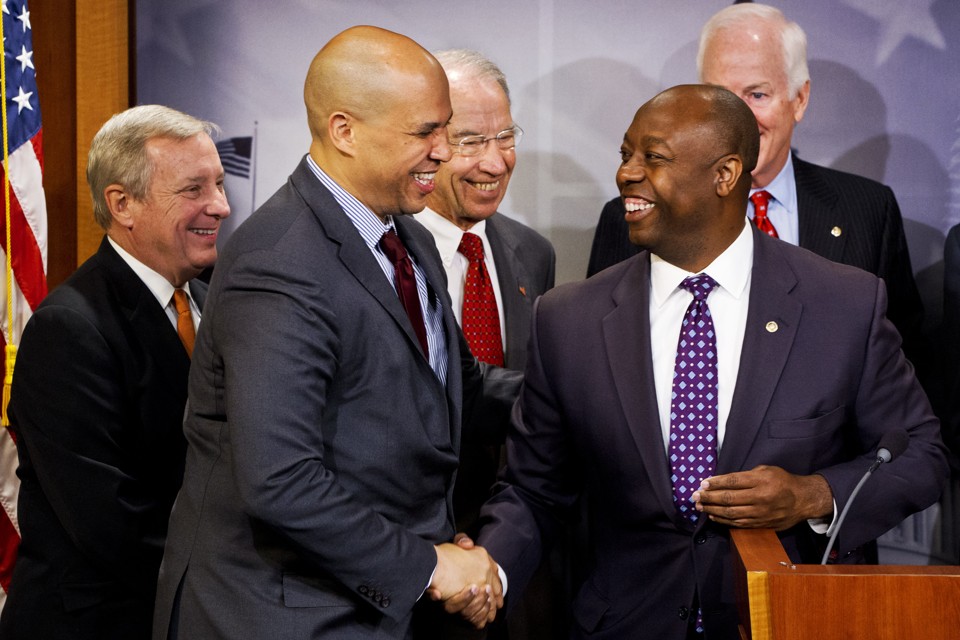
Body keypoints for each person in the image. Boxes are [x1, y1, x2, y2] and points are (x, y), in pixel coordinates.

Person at [476, 84, 948, 640]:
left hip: (788, 619)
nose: (627, 173)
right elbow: (535, 489)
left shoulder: (842, 303)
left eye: (652, 157)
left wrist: (812, 494)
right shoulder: (570, 319)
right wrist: (490, 571)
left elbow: (920, 457)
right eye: (626, 154)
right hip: (624, 625)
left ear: (725, 175)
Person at [153, 26, 517, 640]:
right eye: (425, 132)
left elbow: (456, 383)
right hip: (282, 611)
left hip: (371, 603)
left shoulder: (409, 239)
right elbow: (282, 480)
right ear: (344, 131)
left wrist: (590, 399)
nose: (443, 152)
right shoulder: (280, 261)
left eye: (445, 130)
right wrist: (430, 565)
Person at [585, 3, 924, 371]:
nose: (738, 117)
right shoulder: (633, 216)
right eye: (718, 96)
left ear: (800, 99)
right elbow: (601, 363)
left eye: (757, 94)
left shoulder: (868, 211)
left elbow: (900, 366)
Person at [0, 105, 230, 639]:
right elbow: (111, 522)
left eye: (218, 183)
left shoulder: (216, 297)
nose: (220, 205)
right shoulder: (69, 329)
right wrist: (239, 578)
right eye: (194, 189)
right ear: (123, 204)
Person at [417, 49, 558, 639]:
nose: (496, 162)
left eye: (506, 136)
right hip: (413, 563)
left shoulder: (532, 252)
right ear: (427, 142)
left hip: (514, 566)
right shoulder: (385, 258)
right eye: (472, 141)